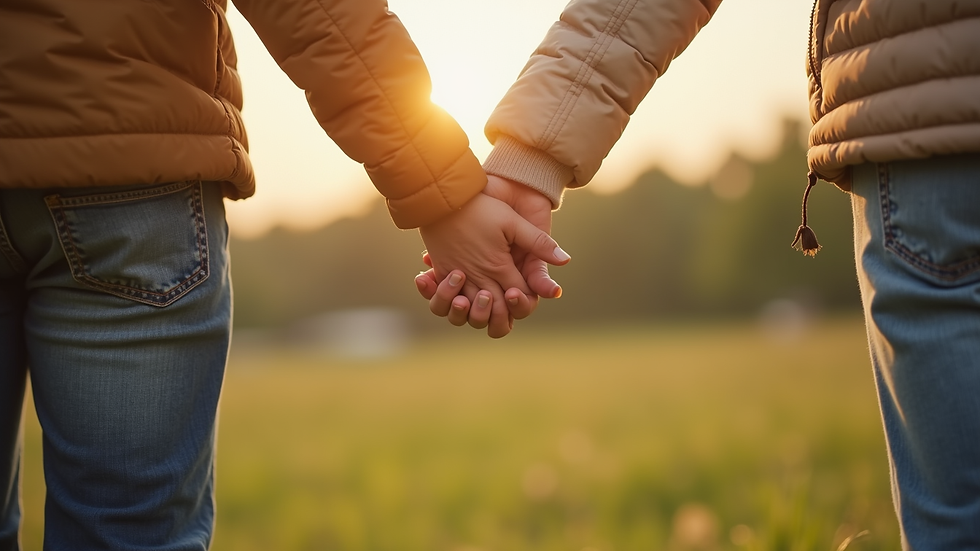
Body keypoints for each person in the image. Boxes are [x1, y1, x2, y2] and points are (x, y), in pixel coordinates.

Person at [0, 0, 570, 548]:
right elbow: (320, 13)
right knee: (126, 533)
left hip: (123, 171)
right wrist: (436, 183)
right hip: (127, 168)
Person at [416, 0, 980, 548]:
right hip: (937, 116)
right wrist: (527, 164)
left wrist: (528, 161)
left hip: (933, 134)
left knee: (963, 518)